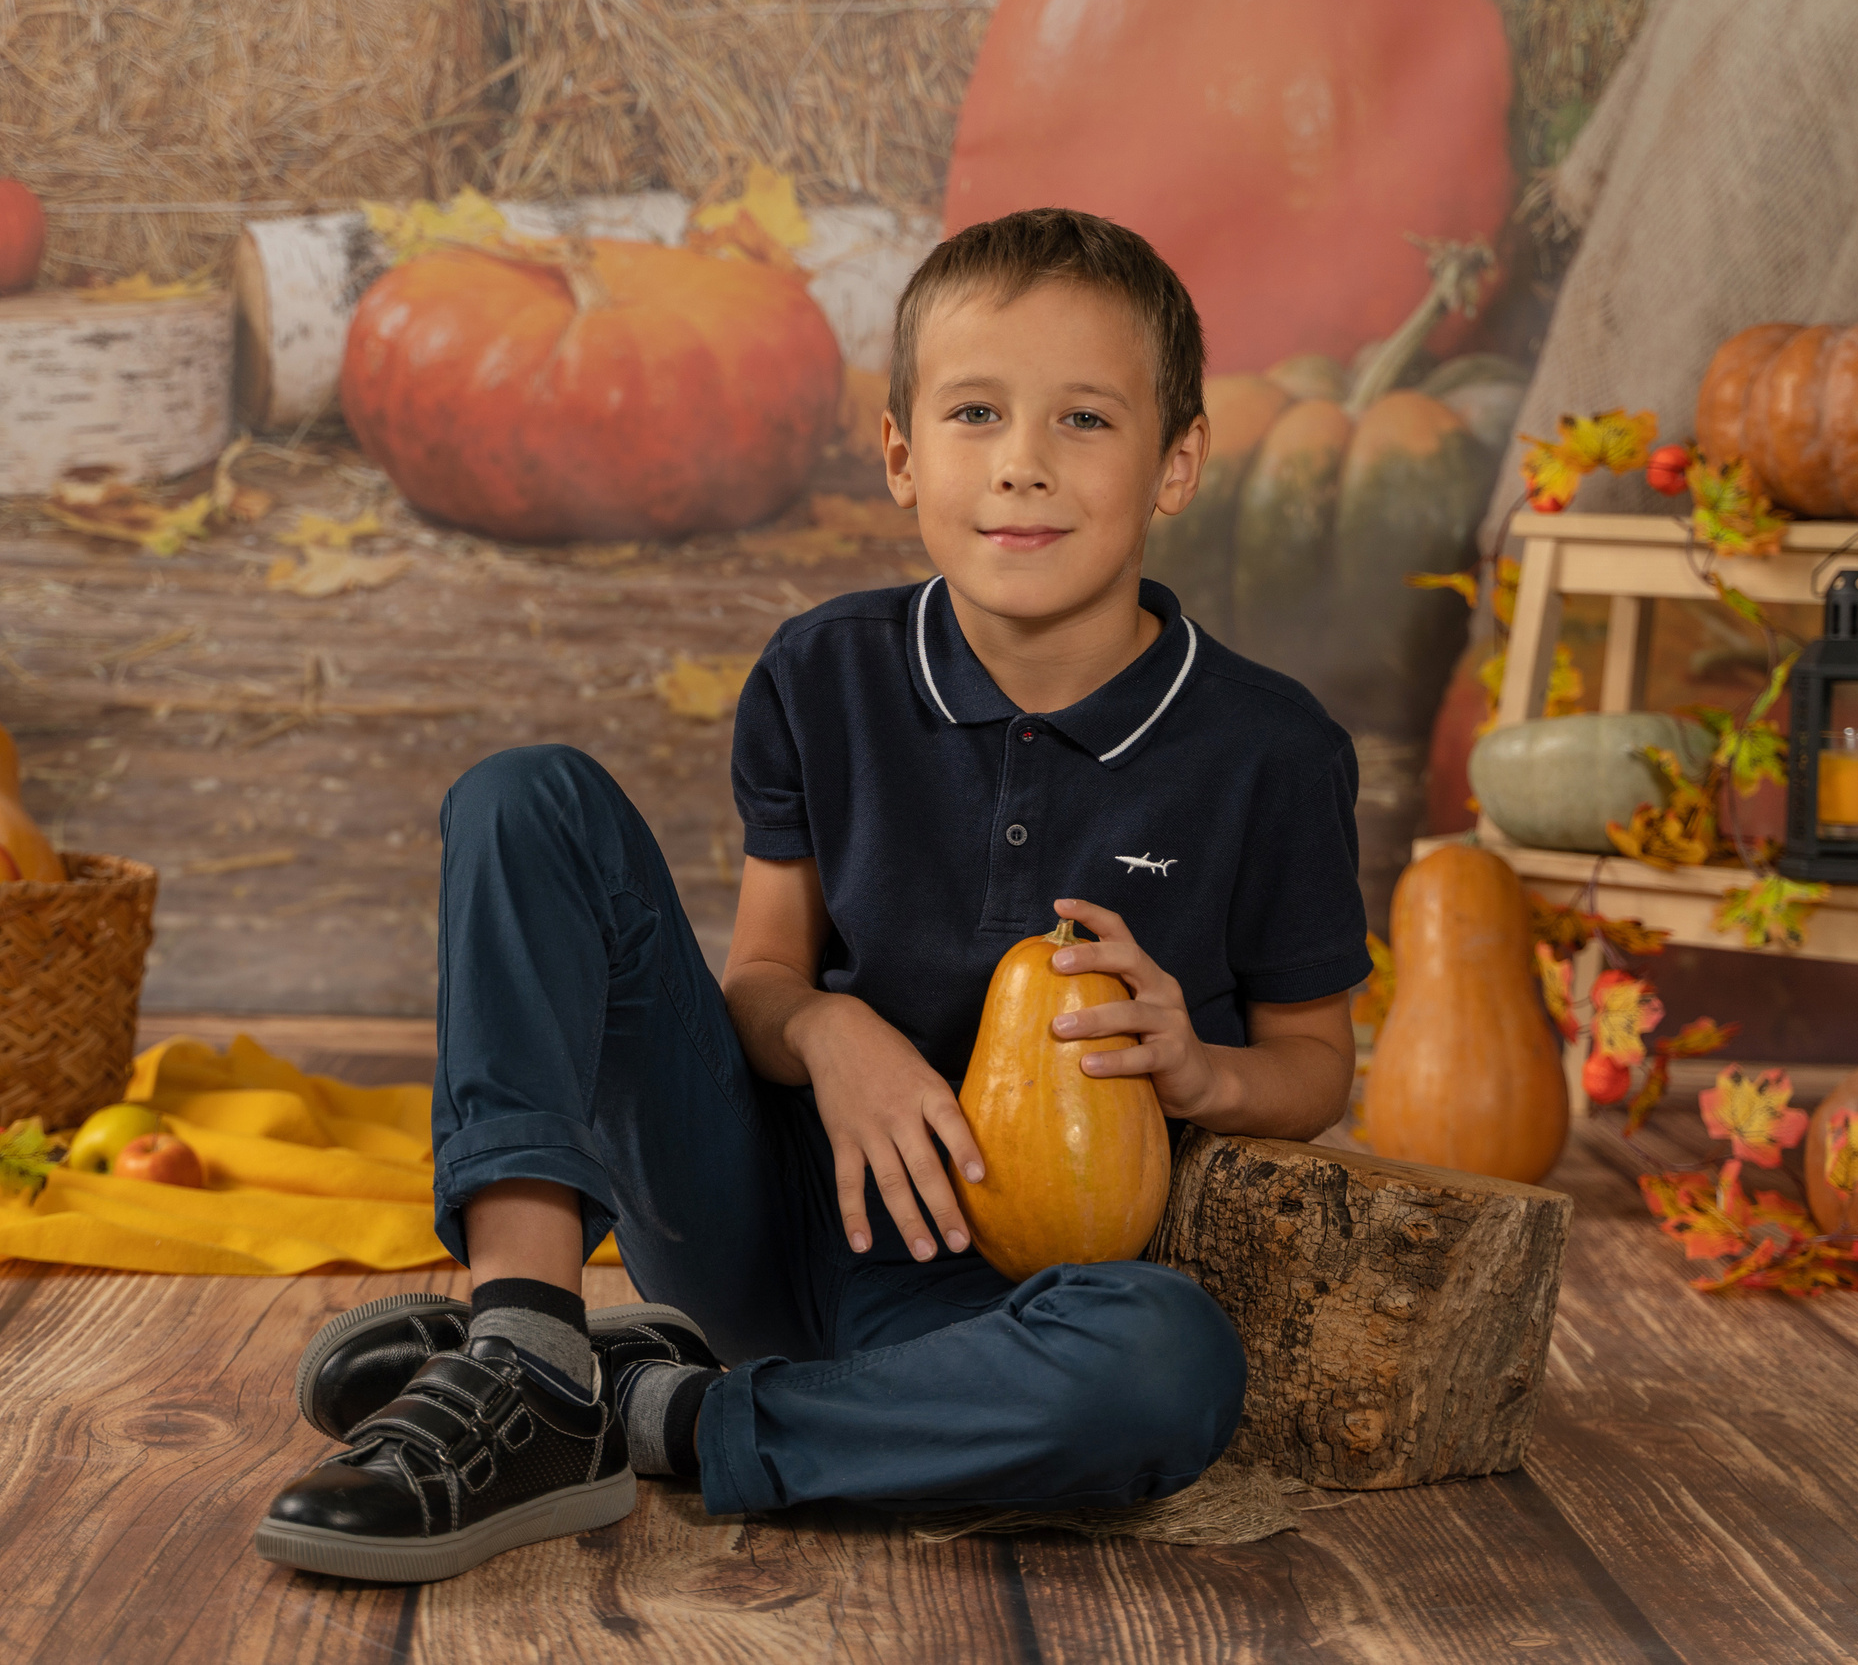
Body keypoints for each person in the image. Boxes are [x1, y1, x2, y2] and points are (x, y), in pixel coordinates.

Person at [252, 208, 1370, 1585]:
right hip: (753, 1199)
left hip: (981, 1306)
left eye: (1084, 419)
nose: (1022, 466)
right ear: (901, 453)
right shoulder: (821, 673)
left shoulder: (1271, 752)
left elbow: (1319, 1065)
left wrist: (1198, 1071)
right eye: (974, 413)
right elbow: (767, 978)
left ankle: (656, 1409)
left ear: (1177, 460)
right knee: (526, 794)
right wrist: (832, 1037)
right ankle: (531, 1335)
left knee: (1168, 1365)